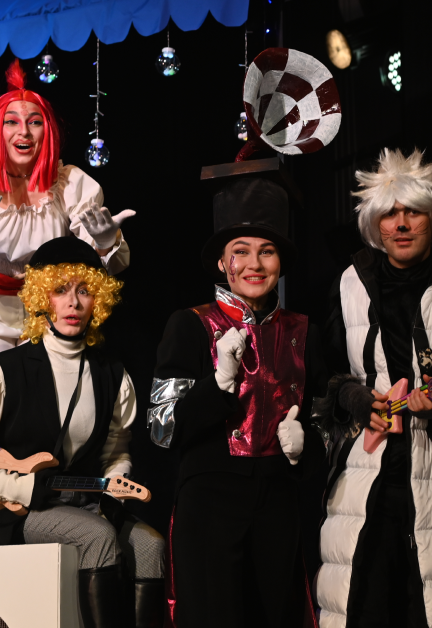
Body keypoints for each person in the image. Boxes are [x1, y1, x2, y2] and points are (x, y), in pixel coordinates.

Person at [148, 164, 328, 628]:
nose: (254, 265)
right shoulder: (189, 324)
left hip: (279, 507)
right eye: (240, 252)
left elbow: (326, 428)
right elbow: (162, 429)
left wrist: (306, 445)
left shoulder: (304, 332)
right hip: (209, 505)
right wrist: (219, 383)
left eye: (267, 251)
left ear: (281, 261)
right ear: (221, 263)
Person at [0, 237, 164, 628]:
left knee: (151, 545)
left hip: (86, 503)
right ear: (43, 296)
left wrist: (115, 479)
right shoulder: (7, 370)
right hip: (14, 510)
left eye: (85, 291)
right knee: (97, 536)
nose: (73, 303)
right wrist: (21, 488)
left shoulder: (113, 375)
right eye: (60, 290)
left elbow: (116, 451)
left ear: (98, 300)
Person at [315, 148, 432, 628]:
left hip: (428, 469)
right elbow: (322, 379)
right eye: (390, 213)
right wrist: (355, 398)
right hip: (366, 475)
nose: (401, 223)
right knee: (362, 605)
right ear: (374, 223)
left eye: (413, 212)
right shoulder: (349, 283)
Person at [0, 60, 134, 352]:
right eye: (11, 121)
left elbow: (106, 266)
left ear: (47, 131)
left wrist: (104, 243)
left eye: (34, 122)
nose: (24, 132)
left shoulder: (69, 184)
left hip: (51, 316)